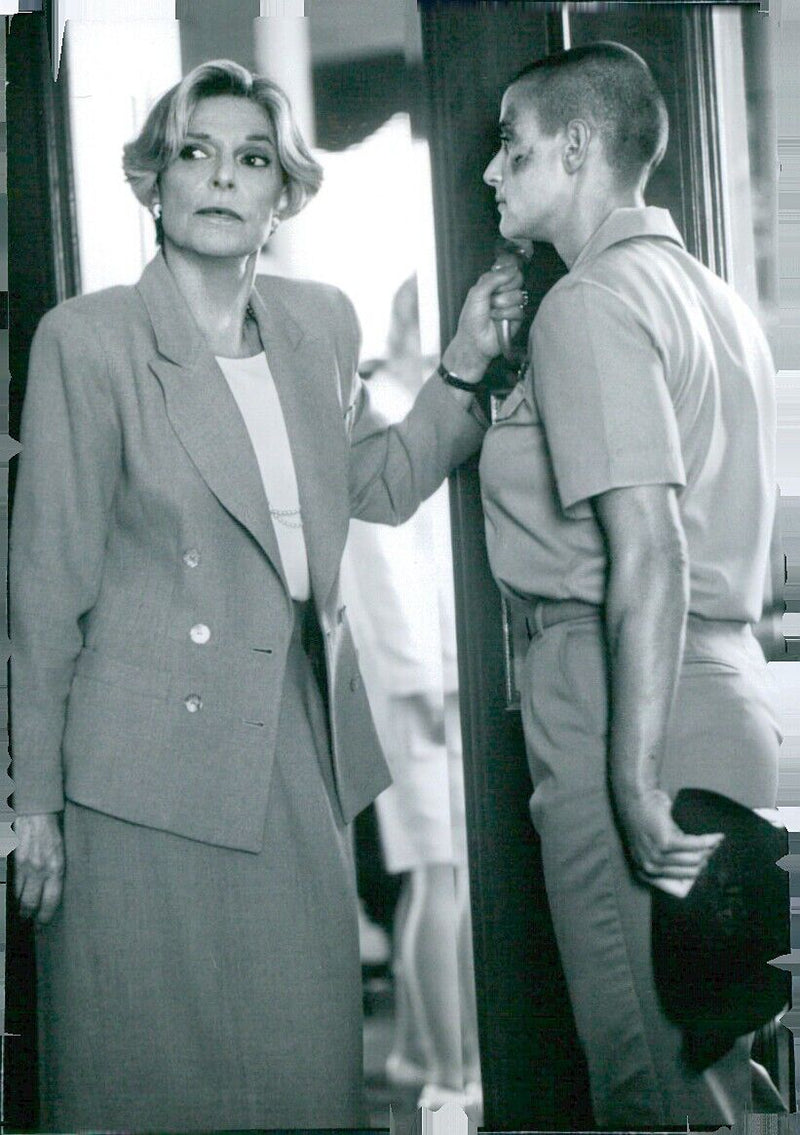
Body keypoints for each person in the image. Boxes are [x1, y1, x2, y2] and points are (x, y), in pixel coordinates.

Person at [9, 59, 524, 1132]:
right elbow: (44, 593)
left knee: (299, 1065)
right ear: (152, 182)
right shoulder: (86, 340)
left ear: (283, 194)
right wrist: (36, 803)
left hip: (291, 740)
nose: (219, 178)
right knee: (144, 1074)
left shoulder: (316, 326)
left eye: (251, 159)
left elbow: (373, 485)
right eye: (192, 154)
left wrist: (467, 366)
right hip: (133, 768)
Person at [454, 41, 780, 1127]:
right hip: (723, 693)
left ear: (579, 146)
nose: (493, 173)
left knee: (651, 1081)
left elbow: (648, 551)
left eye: (513, 145)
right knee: (713, 1072)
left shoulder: (588, 304)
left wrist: (632, 785)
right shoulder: (712, 298)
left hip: (625, 703)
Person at [341, 277, 481, 1114]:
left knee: (434, 875)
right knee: (441, 873)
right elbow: (388, 577)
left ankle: (422, 1048)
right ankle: (452, 1064)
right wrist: (431, 682)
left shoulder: (400, 407)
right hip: (416, 684)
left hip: (416, 680)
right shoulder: (386, 413)